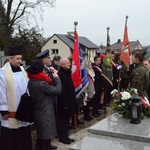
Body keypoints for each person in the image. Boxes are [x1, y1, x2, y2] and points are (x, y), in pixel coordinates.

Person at [0, 48, 32, 150]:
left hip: (23, 108)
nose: (20, 61)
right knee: (11, 136)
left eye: (20, 58)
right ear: (10, 59)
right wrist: (4, 111)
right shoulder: (3, 72)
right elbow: (1, 91)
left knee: (23, 134)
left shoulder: (22, 70)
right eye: (17, 58)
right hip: (10, 111)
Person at [27, 59, 62, 150]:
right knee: (45, 141)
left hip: (39, 112)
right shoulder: (41, 84)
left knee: (41, 138)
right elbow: (57, 90)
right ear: (40, 70)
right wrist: (56, 78)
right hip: (45, 114)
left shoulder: (32, 81)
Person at [36, 49, 58, 150]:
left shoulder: (49, 69)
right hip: (45, 100)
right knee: (45, 125)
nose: (50, 59)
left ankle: (48, 142)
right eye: (48, 58)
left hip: (51, 97)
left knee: (50, 123)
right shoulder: (40, 70)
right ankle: (44, 144)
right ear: (44, 60)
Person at [57, 58, 78, 144]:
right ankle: (62, 137)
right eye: (68, 63)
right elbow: (62, 91)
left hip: (69, 101)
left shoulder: (66, 73)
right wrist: (64, 104)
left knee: (67, 121)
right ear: (62, 65)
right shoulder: (61, 74)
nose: (70, 64)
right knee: (63, 121)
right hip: (64, 103)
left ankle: (66, 136)